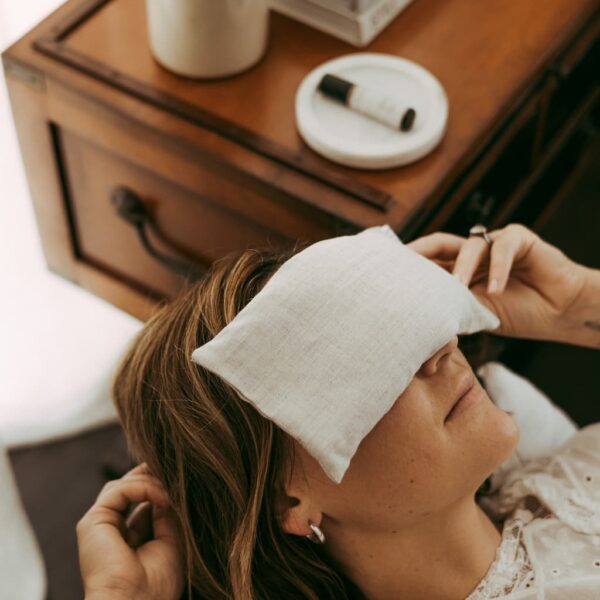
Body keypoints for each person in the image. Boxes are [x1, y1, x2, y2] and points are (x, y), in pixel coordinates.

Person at [76, 223, 600, 600]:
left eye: (398, 320)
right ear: (289, 500)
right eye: (361, 359)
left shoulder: (574, 476)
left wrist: (579, 304)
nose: (441, 349)